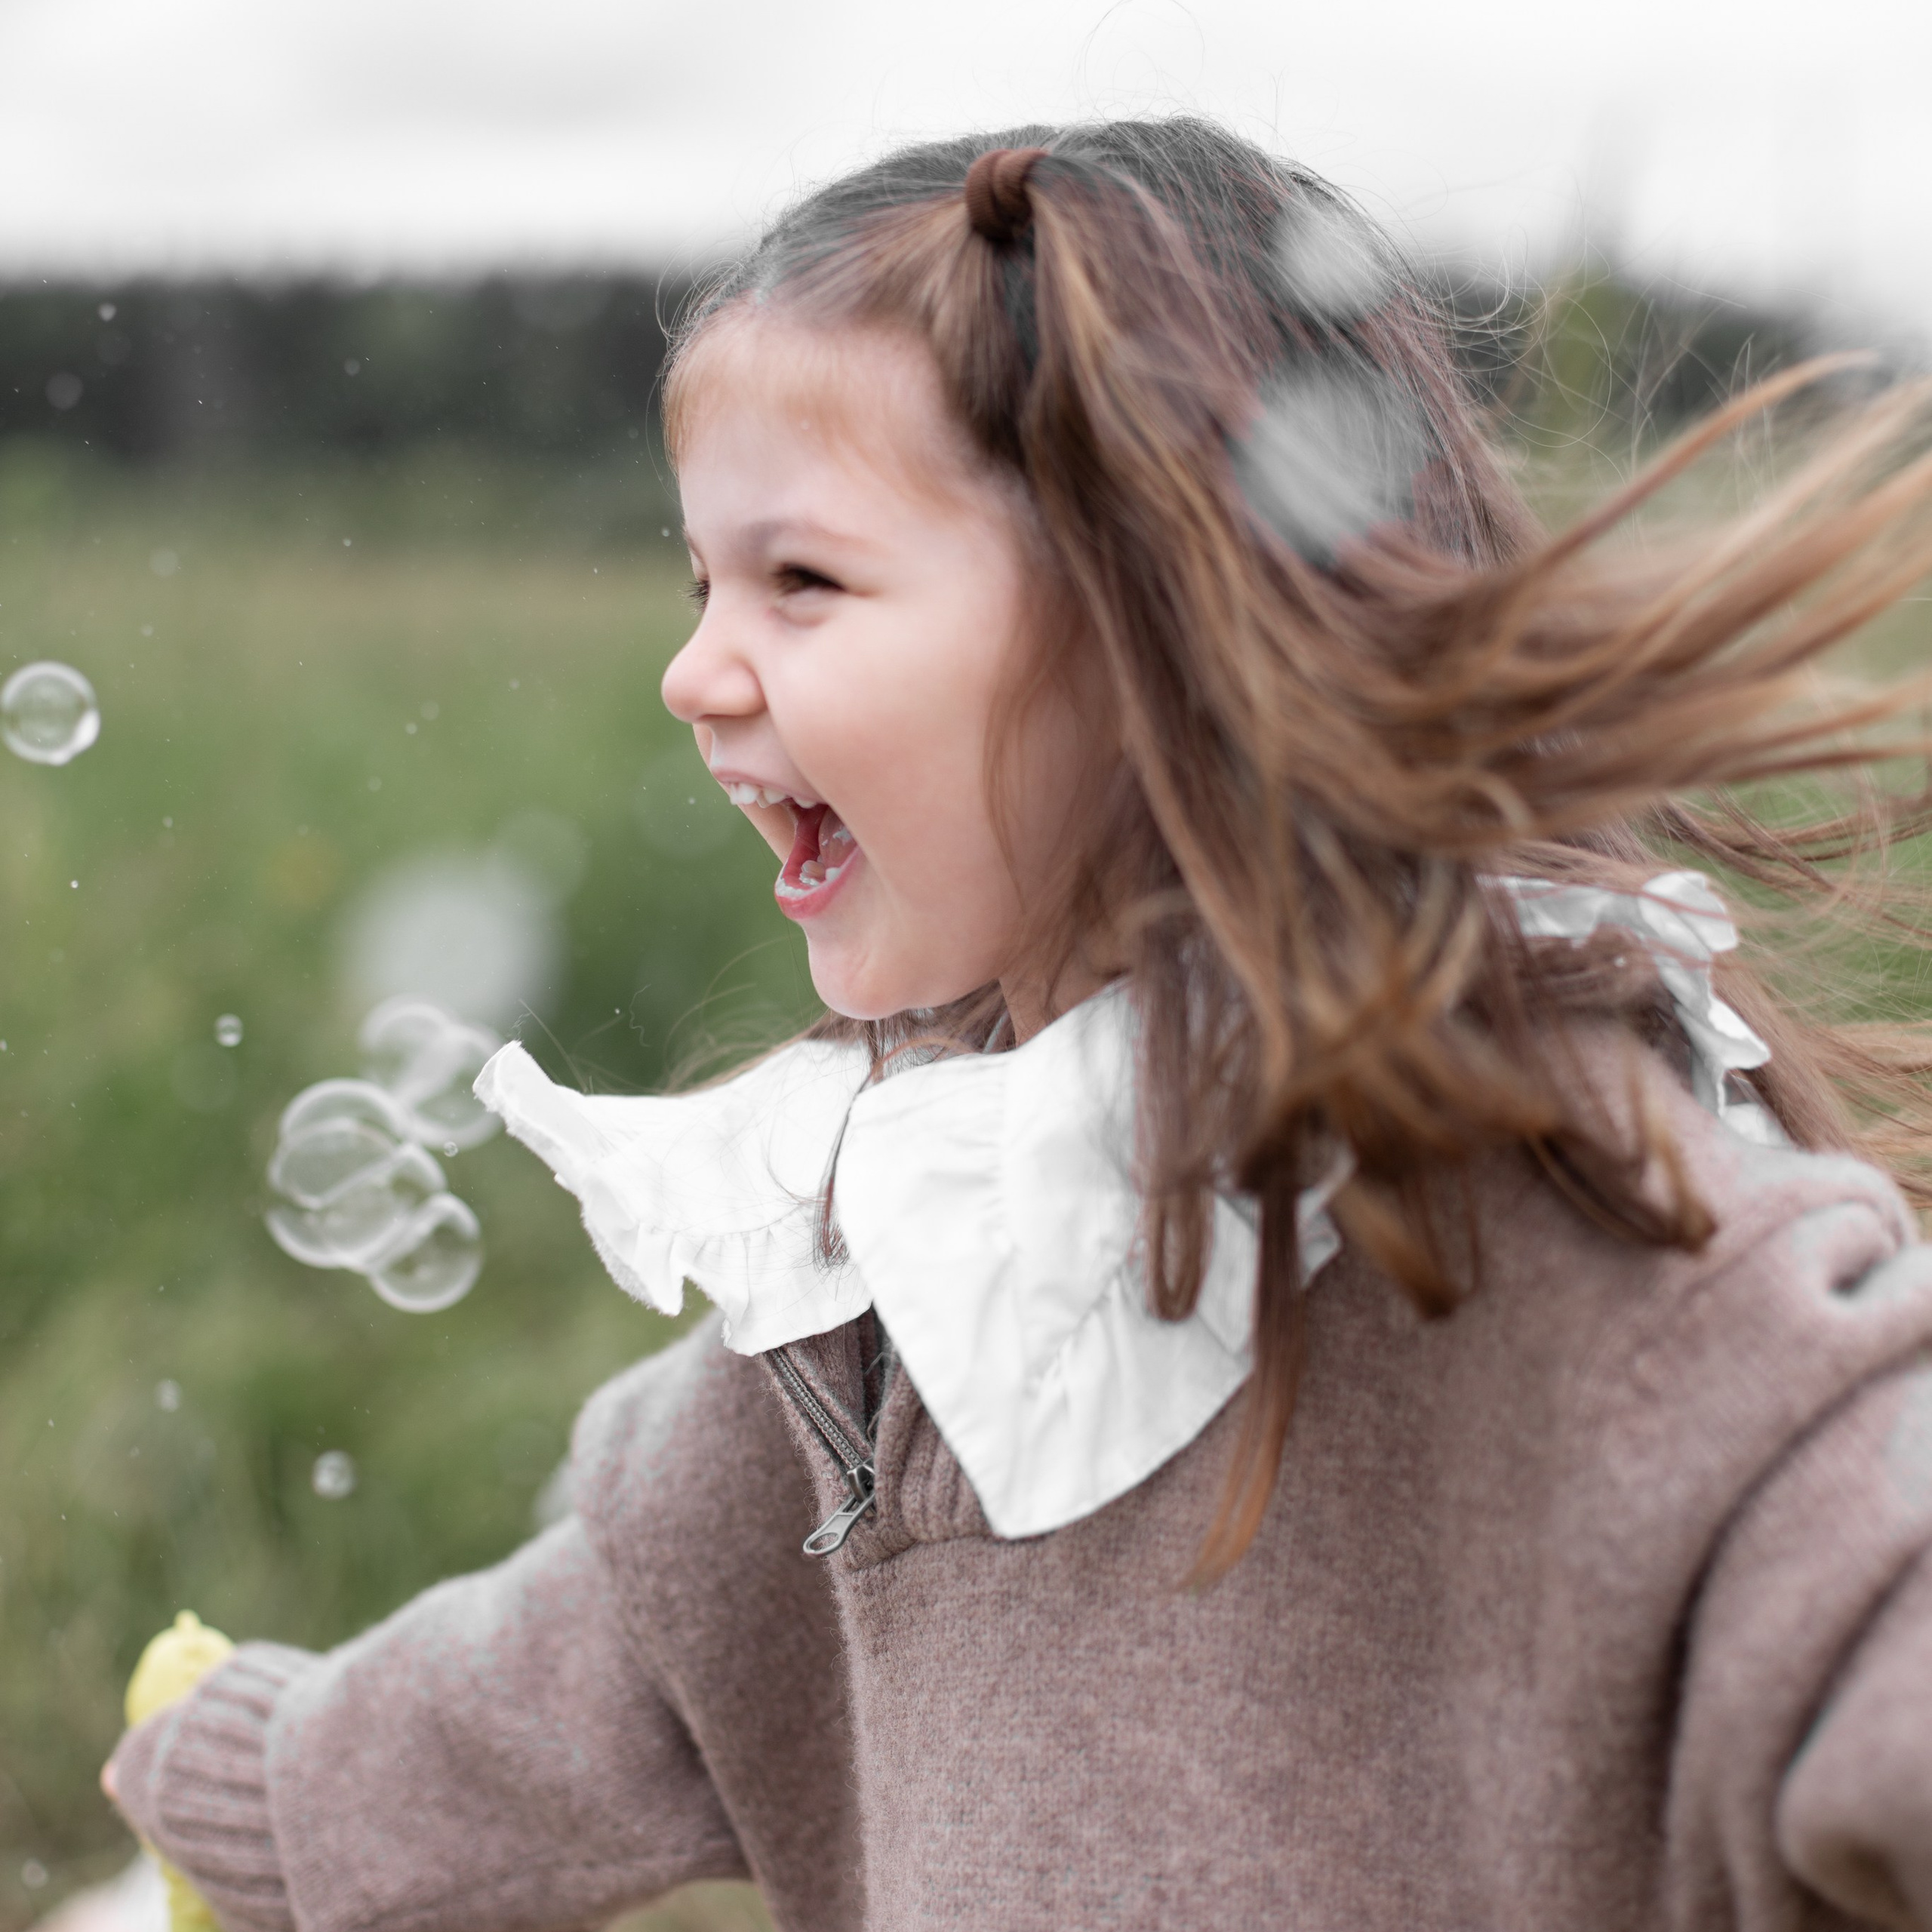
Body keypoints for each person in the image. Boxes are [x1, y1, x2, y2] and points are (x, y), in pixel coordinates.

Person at [105, 122, 1932, 1931]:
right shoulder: (891, 1249)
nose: (691, 669)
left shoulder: (1565, 1211)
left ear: (1152, 622)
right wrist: (238, 1790)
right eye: (698, 583)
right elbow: (588, 1666)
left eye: (800, 580)